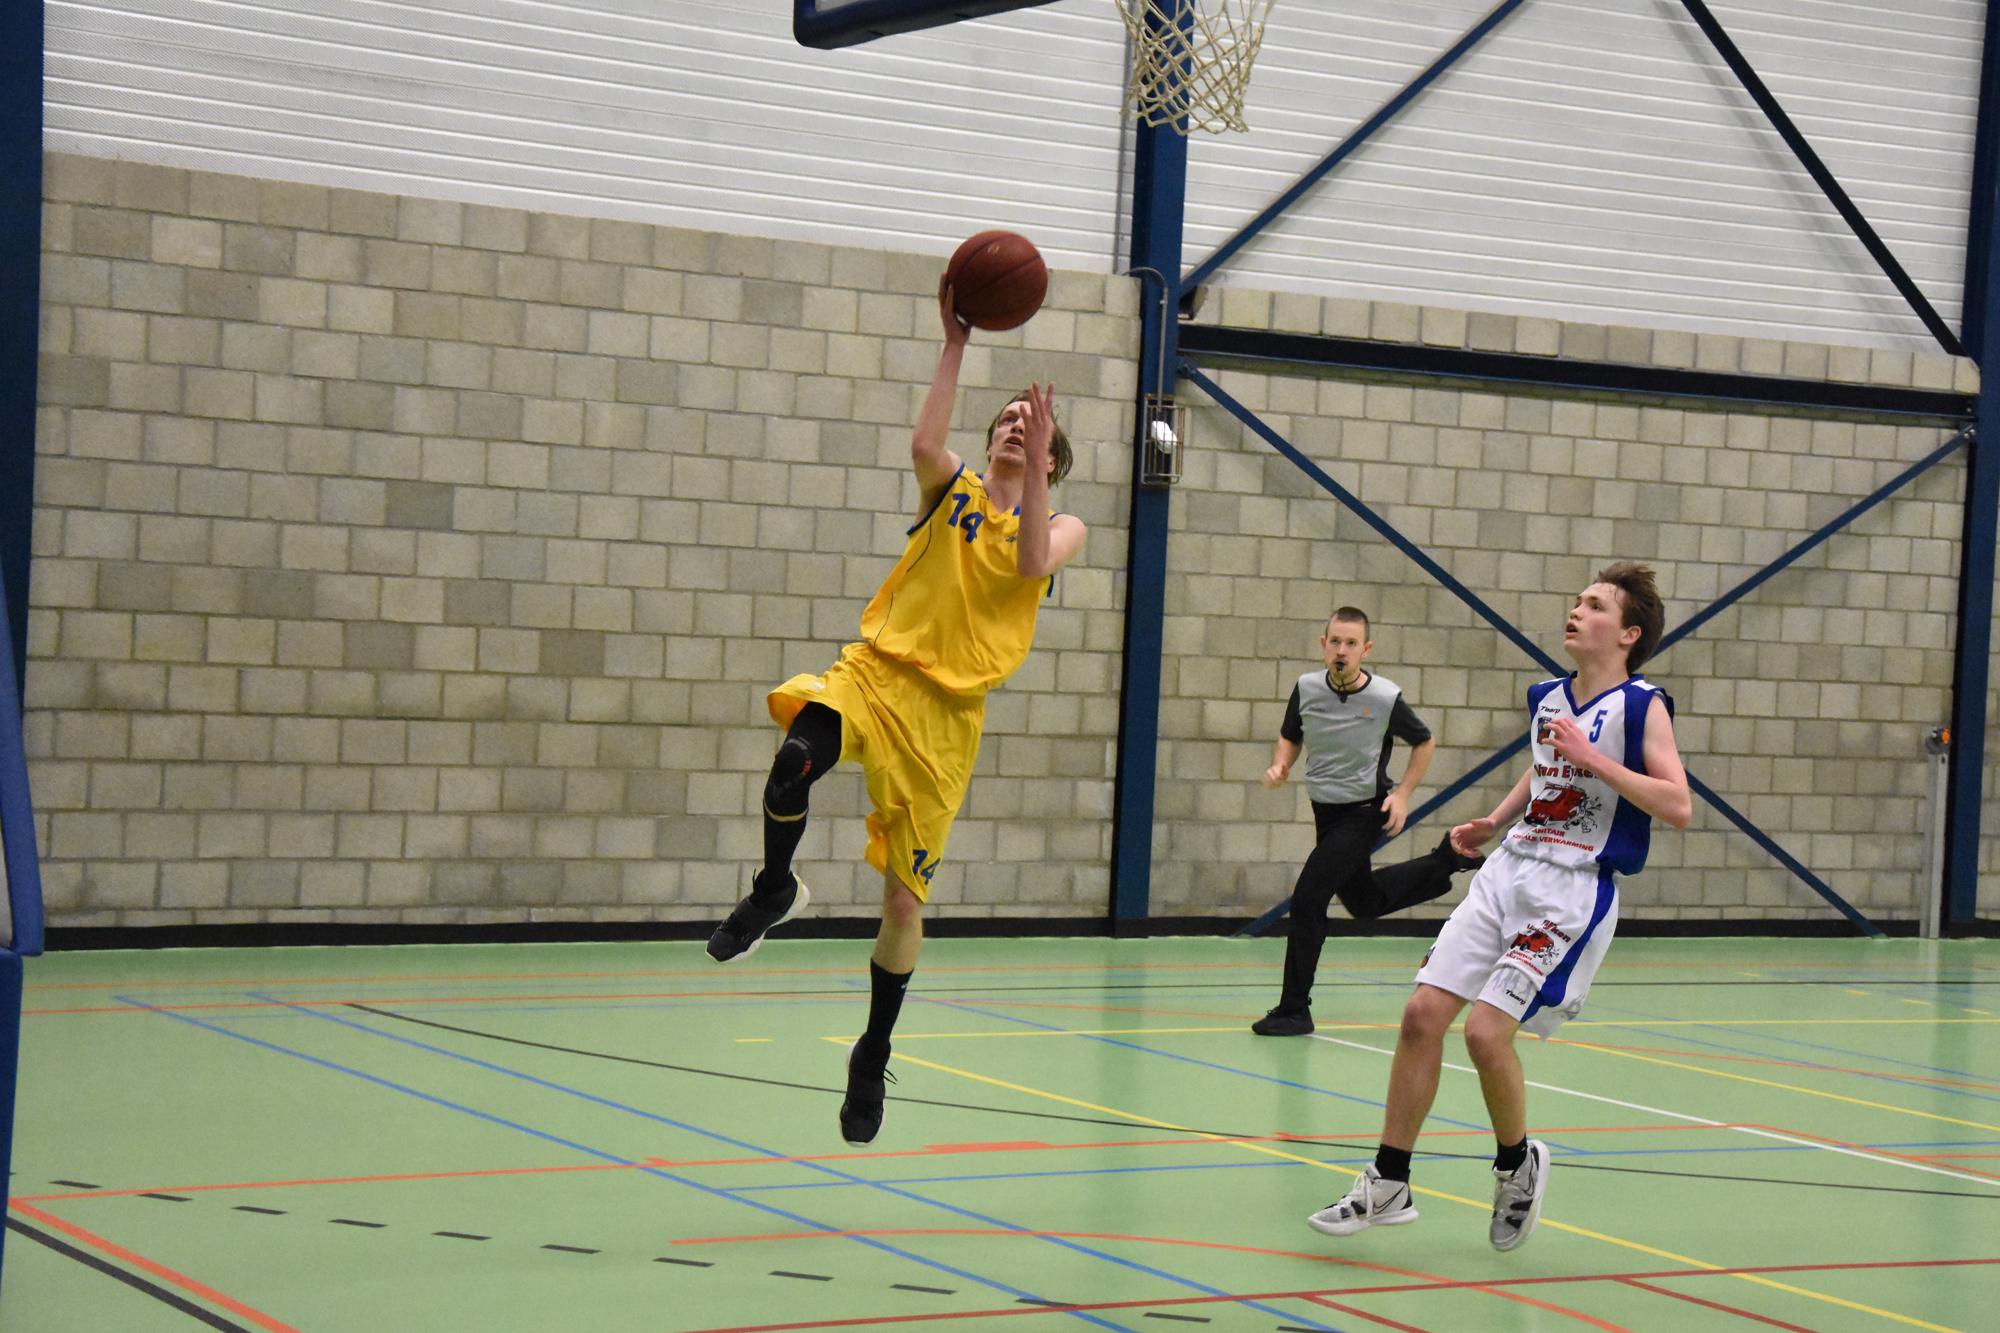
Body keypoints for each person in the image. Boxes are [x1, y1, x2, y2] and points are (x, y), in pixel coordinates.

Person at [704, 276, 1087, 1148]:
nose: (1013, 428)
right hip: (876, 673)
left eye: (1028, 427)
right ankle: (773, 888)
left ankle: (873, 1049)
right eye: (1005, 421)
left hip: (946, 722)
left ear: (1051, 463)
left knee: (904, 907)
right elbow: (924, 439)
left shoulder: (1061, 526)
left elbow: (1032, 563)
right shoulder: (950, 489)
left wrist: (1035, 469)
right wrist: (955, 342)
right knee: (792, 763)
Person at [1306, 563, 1690, 1252]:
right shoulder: (1548, 698)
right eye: (1577, 600)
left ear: (1628, 633)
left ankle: (1517, 1165)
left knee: (1485, 1034)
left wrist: (1595, 760)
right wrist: (1495, 818)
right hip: (1508, 869)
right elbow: (1543, 768)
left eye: (1595, 606)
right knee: (1422, 1015)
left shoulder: (1642, 705)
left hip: (1570, 889)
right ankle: (1390, 1180)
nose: (1577, 610)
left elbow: (1678, 804)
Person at [1254, 608, 1482, 1037]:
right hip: (1325, 811)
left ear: (1366, 649)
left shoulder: (1383, 697)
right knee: (1364, 901)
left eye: (1351, 643)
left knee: (1308, 898)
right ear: (1323, 645)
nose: (1342, 651)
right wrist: (1281, 765)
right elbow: (1291, 733)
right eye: (1335, 642)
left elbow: (1425, 741)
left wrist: (1403, 794)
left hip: (1364, 812)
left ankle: (1293, 1009)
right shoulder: (1306, 688)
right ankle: (1447, 860)